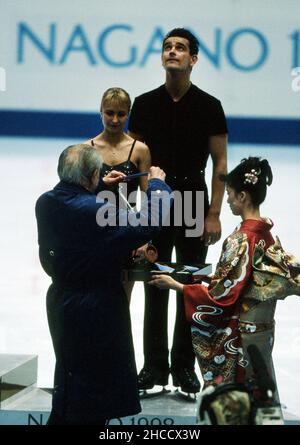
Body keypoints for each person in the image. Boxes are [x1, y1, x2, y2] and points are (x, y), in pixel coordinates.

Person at [35, 143, 172, 425]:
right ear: (91, 175)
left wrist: (98, 187)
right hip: (96, 306)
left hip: (61, 300)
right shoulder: (98, 211)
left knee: (70, 380)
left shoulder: (46, 202)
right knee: (94, 393)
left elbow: (74, 204)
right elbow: (147, 223)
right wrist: (157, 186)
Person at [128, 27, 228, 393]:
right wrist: (137, 215)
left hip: (191, 201)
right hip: (156, 201)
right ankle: (154, 366)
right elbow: (135, 159)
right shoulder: (144, 103)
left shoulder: (210, 105)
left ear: (193, 59)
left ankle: (184, 366)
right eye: (168, 47)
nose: (173, 52)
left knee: (189, 282)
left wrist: (213, 213)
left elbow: (220, 164)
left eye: (181, 48)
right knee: (154, 280)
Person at [149, 156, 282, 405]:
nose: (227, 199)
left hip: (240, 334)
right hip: (261, 331)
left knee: (235, 403)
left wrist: (177, 285)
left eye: (230, 194)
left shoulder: (240, 240)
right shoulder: (266, 235)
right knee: (259, 393)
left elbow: (222, 297)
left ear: (243, 196)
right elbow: (241, 281)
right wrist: (214, 278)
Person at [85, 87, 151, 301]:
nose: (115, 119)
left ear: (128, 114)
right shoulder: (87, 149)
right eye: (109, 112)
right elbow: (80, 197)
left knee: (122, 302)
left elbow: (147, 196)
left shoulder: (140, 150)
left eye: (121, 114)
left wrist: (143, 237)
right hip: (95, 233)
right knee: (94, 299)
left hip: (126, 234)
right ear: (100, 111)